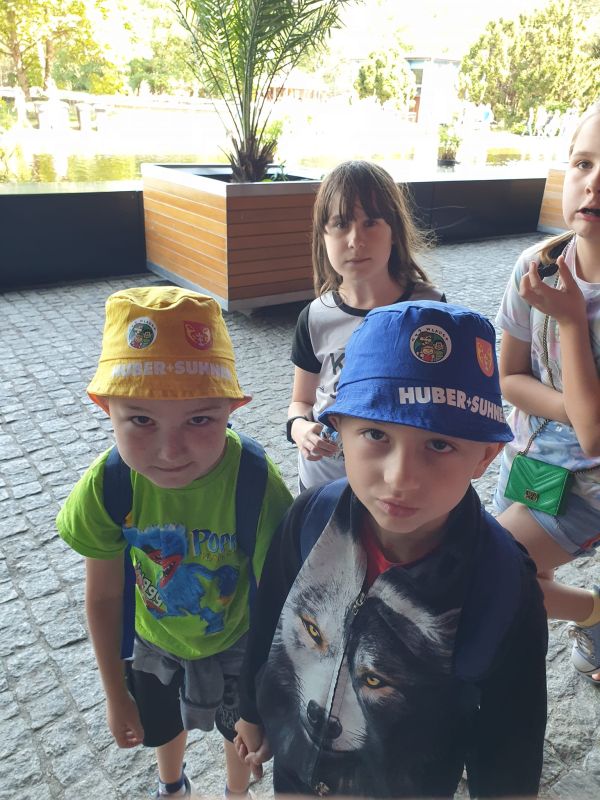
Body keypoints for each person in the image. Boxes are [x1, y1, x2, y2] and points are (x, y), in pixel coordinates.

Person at [235, 300, 548, 798]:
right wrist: (251, 710)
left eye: (439, 445)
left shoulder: (504, 582)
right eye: (376, 434)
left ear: (486, 456)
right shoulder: (311, 516)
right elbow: (270, 614)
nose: (400, 477)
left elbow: (511, 735)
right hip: (296, 765)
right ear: (339, 429)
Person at [56, 287, 293, 798]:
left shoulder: (254, 482)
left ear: (232, 408)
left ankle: (236, 793)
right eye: (141, 419)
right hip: (153, 643)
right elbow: (104, 595)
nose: (169, 451)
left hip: (238, 644)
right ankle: (172, 786)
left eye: (199, 419)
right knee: (163, 728)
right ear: (106, 409)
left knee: (238, 738)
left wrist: (256, 706)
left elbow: (278, 599)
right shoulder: (109, 486)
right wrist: (115, 693)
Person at [493, 105, 600, 684]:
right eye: (583, 163)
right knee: (516, 574)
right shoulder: (534, 267)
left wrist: (572, 320)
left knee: (488, 570)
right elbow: (509, 377)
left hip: (589, 482)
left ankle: (594, 616)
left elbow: (594, 436)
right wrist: (568, 411)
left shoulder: (564, 298)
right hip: (528, 456)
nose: (594, 182)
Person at [287, 160, 445, 490]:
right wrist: (299, 428)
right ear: (323, 235)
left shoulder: (430, 309)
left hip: (395, 484)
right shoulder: (315, 317)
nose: (355, 239)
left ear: (394, 231)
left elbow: (444, 399)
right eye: (340, 224)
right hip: (324, 483)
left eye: (370, 222)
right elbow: (301, 402)